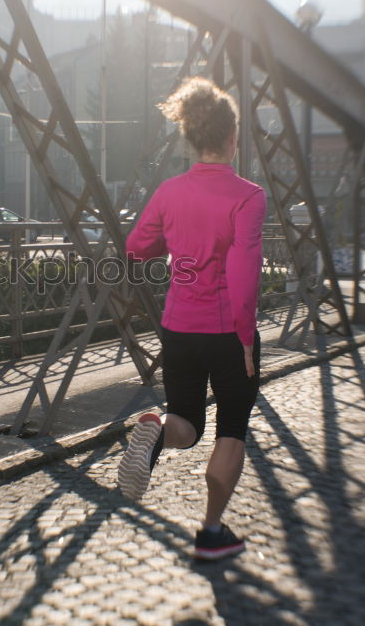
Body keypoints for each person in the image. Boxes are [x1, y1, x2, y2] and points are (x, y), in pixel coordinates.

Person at [118, 76, 265, 561]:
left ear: (191, 138)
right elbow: (243, 276)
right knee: (231, 431)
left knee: (187, 421)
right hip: (227, 332)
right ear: (231, 138)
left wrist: (175, 237)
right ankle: (211, 531)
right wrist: (245, 339)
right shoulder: (248, 196)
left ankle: (156, 428)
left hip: (179, 327)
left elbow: (137, 246)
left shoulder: (169, 192)